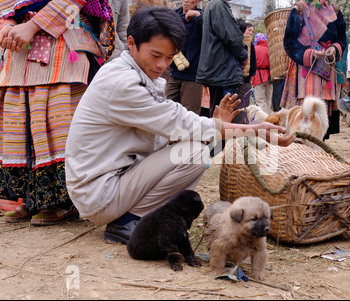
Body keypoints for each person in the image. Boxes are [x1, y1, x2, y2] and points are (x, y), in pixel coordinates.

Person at [64, 6, 295, 244]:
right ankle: (128, 221)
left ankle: (138, 215)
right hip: (101, 193)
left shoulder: (134, 74)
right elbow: (180, 122)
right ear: (131, 43)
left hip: (112, 182)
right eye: (156, 55)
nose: (162, 65)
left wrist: (217, 127)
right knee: (194, 153)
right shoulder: (122, 83)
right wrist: (254, 130)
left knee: (196, 146)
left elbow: (174, 130)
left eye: (169, 57)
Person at [0, 0, 112, 225]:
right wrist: (7, 25)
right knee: (23, 122)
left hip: (63, 45)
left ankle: (65, 201)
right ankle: (32, 198)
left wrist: (32, 26)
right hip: (20, 50)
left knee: (58, 122)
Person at [281, 0, 347, 140]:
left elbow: (342, 39)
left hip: (327, 68)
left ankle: (320, 142)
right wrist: (308, 53)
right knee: (303, 113)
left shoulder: (333, 10)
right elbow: (289, 42)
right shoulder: (299, 9)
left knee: (321, 112)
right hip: (305, 69)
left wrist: (334, 48)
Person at [196, 0, 248, 124]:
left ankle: (220, 143)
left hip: (219, 71)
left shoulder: (213, 5)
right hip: (225, 72)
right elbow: (232, 38)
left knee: (219, 115)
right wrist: (243, 55)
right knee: (229, 118)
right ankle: (225, 144)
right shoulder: (218, 5)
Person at [166, 0, 204, 115]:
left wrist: (198, 15)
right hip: (174, 73)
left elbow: (214, 27)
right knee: (167, 111)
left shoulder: (202, 18)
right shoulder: (173, 17)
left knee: (189, 115)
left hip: (193, 77)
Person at [252, 33, 273, 115]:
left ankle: (265, 119)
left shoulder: (254, 49)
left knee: (260, 100)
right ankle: (270, 118)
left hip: (258, 76)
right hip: (270, 76)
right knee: (268, 100)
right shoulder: (270, 49)